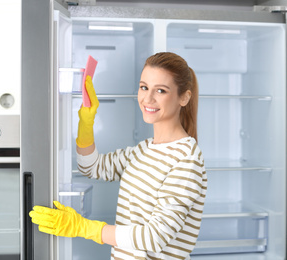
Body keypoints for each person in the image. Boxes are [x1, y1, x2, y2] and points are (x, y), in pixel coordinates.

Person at [29, 52, 207, 259]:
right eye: (144, 87)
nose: (148, 98)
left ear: (184, 97)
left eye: (161, 90)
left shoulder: (186, 160)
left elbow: (155, 237)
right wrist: (86, 122)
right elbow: (91, 167)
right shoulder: (143, 150)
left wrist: (84, 228)